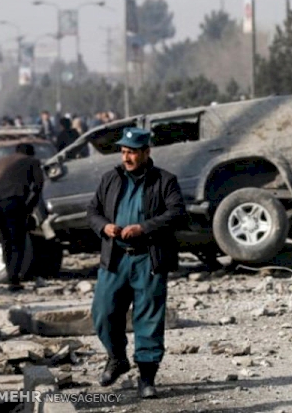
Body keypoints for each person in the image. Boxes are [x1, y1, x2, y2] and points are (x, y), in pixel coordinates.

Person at [87, 128, 186, 399]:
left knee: (149, 319)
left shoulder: (165, 180)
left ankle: (147, 377)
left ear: (146, 152)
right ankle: (117, 358)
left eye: (131, 151)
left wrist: (143, 228)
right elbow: (92, 211)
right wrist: (104, 226)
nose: (126, 157)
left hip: (148, 258)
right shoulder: (110, 178)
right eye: (123, 151)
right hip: (115, 259)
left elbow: (177, 213)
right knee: (103, 312)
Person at [0, 143, 44, 290]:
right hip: (14, 203)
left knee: (5, 241)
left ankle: (12, 278)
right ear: (31, 153)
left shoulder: (0, 161)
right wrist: (28, 208)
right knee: (17, 241)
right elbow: (37, 187)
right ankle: (14, 280)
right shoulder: (33, 162)